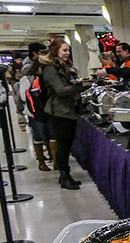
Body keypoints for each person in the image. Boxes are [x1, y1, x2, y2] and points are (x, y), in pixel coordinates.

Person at [42, 37, 87, 190]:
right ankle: (64, 176)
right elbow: (60, 90)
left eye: (68, 50)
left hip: (68, 110)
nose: (68, 53)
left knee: (66, 145)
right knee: (63, 146)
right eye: (65, 50)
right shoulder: (50, 68)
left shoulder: (65, 66)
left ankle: (66, 175)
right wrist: (80, 86)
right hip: (59, 112)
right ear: (56, 51)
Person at [20, 57, 55, 171]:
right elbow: (23, 97)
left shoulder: (46, 78)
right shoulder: (27, 79)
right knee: (38, 137)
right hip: (34, 113)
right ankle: (41, 162)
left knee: (52, 136)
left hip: (48, 110)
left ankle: (55, 160)